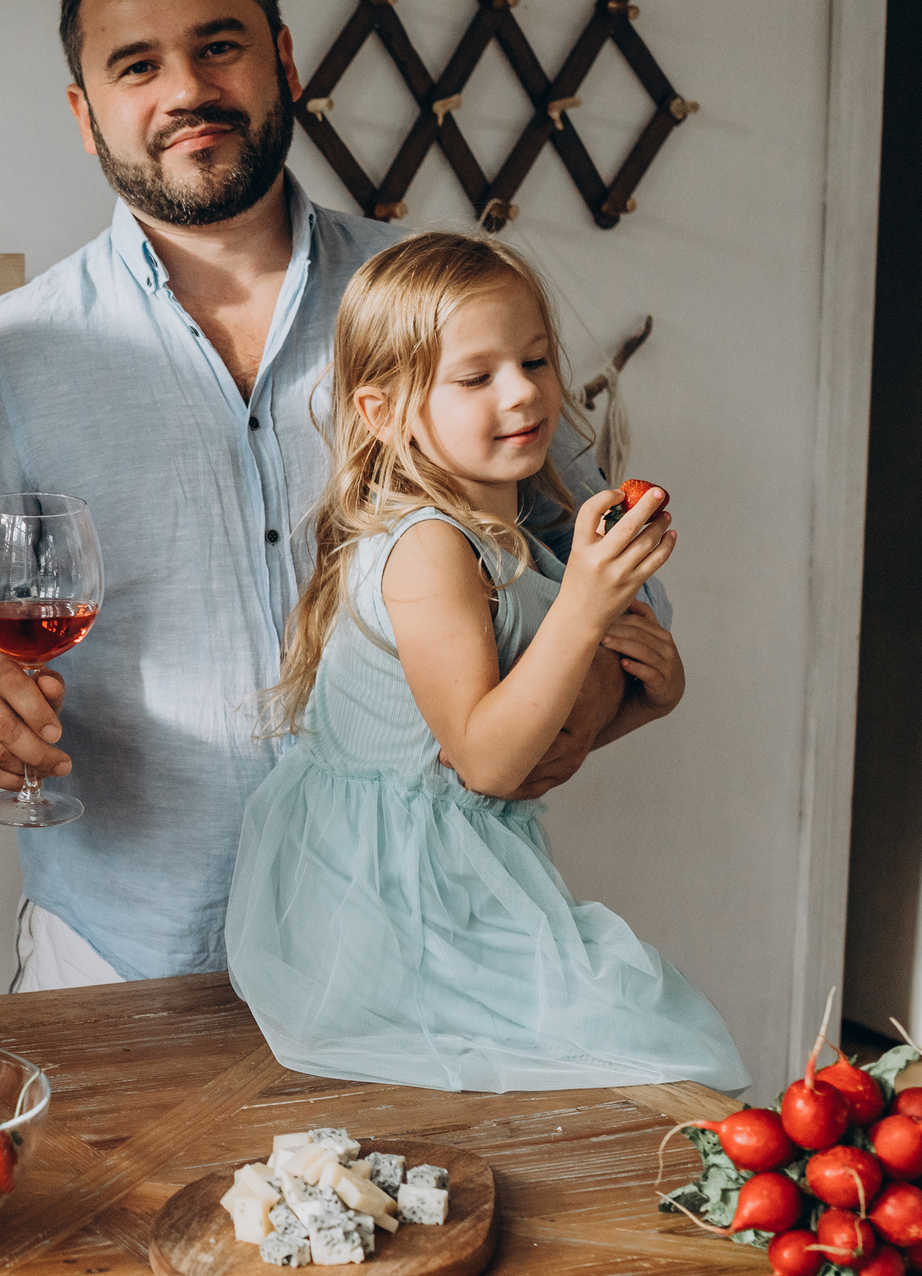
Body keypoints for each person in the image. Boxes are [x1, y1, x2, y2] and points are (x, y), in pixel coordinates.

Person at [0, 0, 654, 993]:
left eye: (218, 46)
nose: (187, 91)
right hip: (127, 942)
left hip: (414, 938)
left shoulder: (437, 298)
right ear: (85, 109)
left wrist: (587, 707)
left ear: (282, 59)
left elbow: (602, 555)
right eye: (137, 65)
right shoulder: (12, 351)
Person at [225, 232, 745, 1091]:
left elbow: (528, 747)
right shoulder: (427, 546)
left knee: (666, 1055)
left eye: (536, 360)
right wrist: (582, 605)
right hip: (393, 920)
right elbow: (488, 761)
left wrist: (648, 700)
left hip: (461, 882)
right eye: (476, 377)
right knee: (677, 1053)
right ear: (384, 411)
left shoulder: (504, 535)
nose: (524, 393)